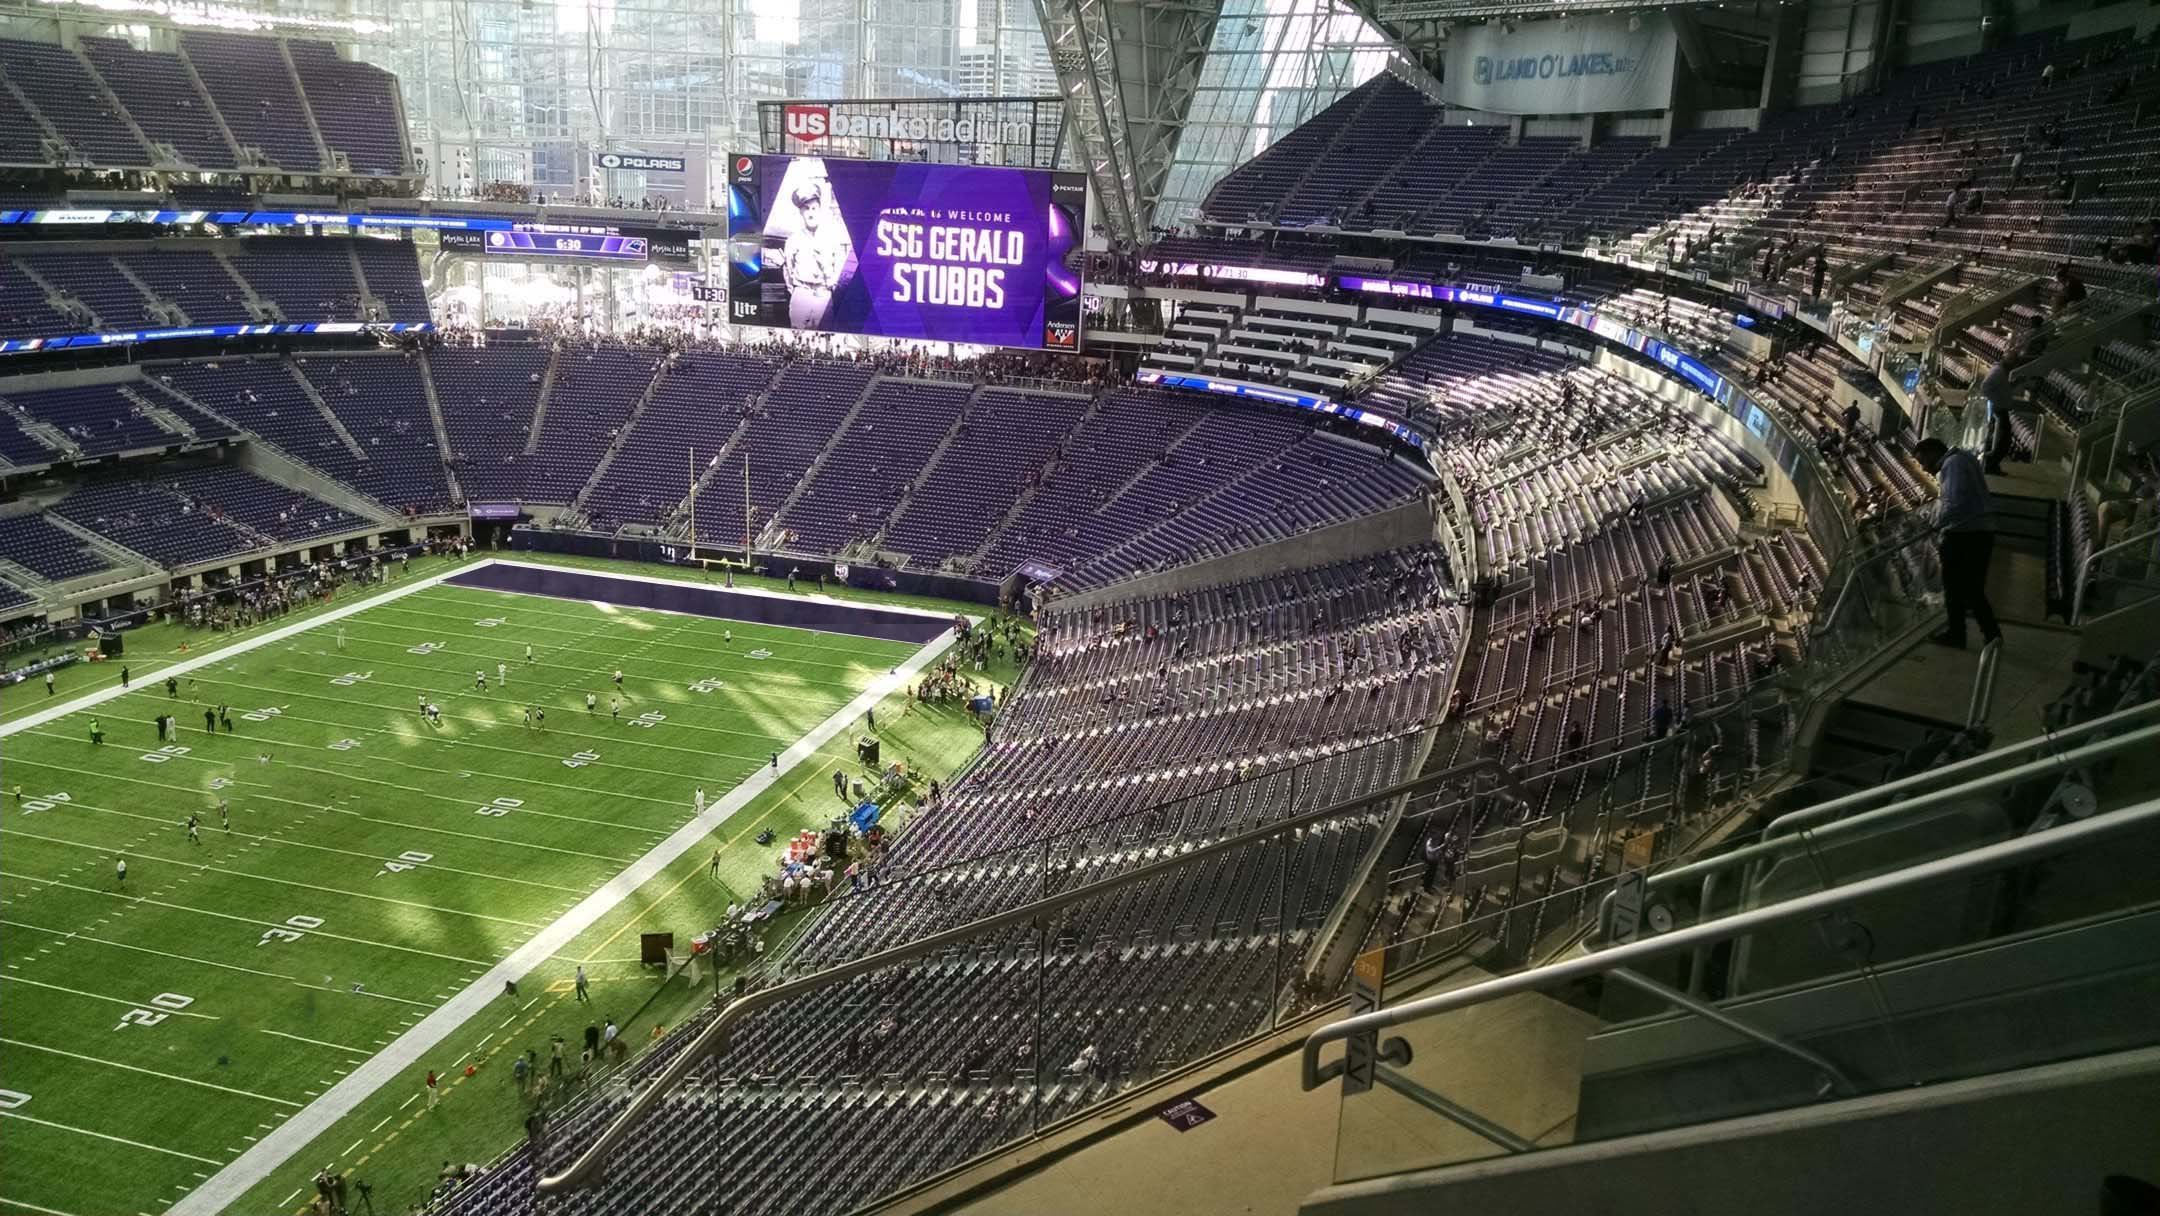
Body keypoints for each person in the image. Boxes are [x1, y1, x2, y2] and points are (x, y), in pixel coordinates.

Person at [1914, 438, 2003, 651]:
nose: (1923, 468)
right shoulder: (1962, 459)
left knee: (1957, 587)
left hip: (1966, 535)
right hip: (1978, 532)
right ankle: (1989, 634)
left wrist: (1932, 524)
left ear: (1933, 452)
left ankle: (1961, 634)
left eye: (1923, 460)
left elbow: (1953, 504)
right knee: (1971, 588)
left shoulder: (1953, 465)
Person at [781, 180, 844, 328]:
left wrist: (830, 284)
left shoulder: (832, 237)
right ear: (800, 212)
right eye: (806, 209)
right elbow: (788, 270)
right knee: (797, 335)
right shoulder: (793, 240)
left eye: (814, 208)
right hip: (801, 293)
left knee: (824, 332)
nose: (810, 213)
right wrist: (798, 291)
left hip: (823, 293)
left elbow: (839, 267)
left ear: (820, 210)